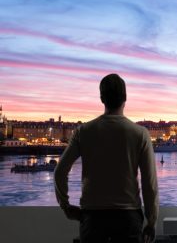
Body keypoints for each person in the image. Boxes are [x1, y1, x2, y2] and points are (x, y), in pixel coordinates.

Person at [54, 73, 159, 243]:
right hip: (128, 217)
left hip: (92, 217)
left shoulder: (83, 132)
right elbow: (150, 184)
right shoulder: (140, 134)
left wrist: (66, 207)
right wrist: (151, 221)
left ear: (102, 98)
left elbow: (60, 172)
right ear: (125, 98)